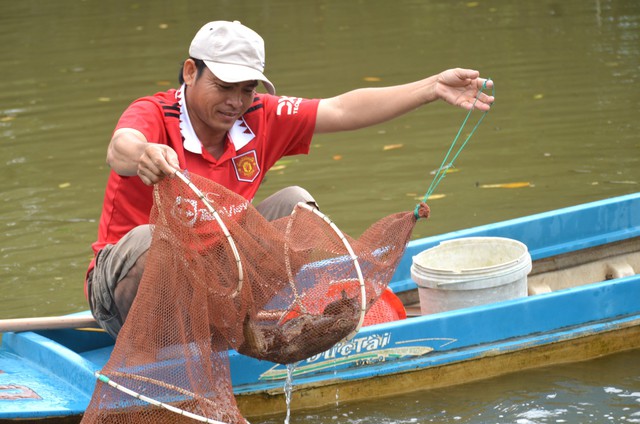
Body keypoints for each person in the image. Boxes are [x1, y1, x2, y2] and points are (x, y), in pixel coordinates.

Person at [86, 20, 494, 339]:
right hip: (122, 288)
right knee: (151, 238)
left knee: (296, 203)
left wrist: (431, 88)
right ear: (190, 72)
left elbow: (342, 109)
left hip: (216, 281)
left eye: (246, 90)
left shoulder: (259, 116)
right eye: (224, 86)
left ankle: (243, 325)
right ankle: (169, 345)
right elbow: (120, 146)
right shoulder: (155, 113)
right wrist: (146, 155)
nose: (235, 102)